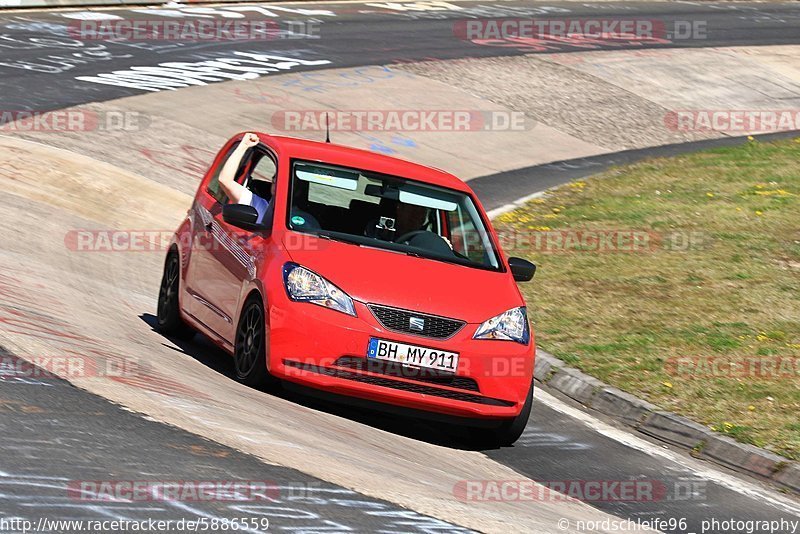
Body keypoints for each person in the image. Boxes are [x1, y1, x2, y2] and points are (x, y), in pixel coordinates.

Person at [218, 132, 273, 225]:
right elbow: (225, 180)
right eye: (275, 181)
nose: (276, 184)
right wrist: (244, 146)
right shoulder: (262, 207)